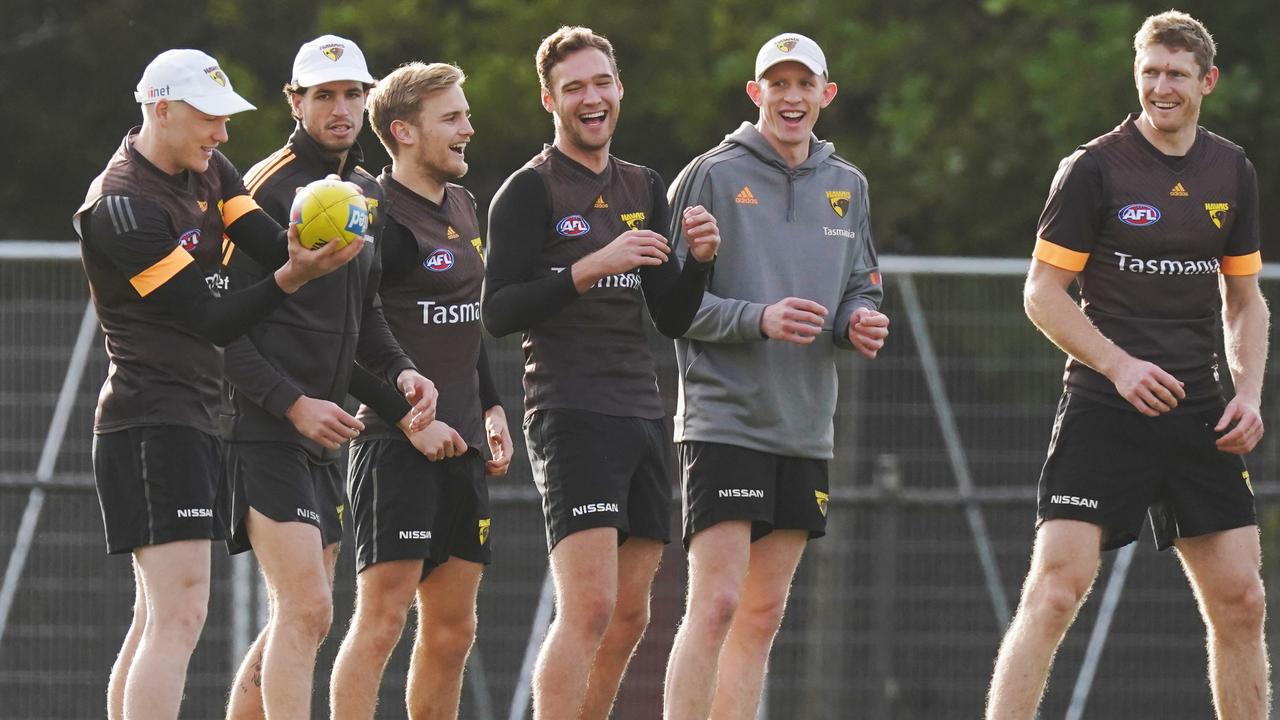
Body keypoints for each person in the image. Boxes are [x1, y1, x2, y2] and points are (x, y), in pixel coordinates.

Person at [985, 10, 1270, 719]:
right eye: (1149, 71)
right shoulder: (1093, 168)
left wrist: (1250, 394)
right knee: (1054, 590)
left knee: (1243, 601)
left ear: (1207, 81)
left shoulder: (1231, 169)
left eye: (1176, 73)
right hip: (1105, 404)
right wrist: (1119, 366)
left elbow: (1245, 302)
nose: (1161, 86)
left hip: (1201, 409)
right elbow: (1042, 296)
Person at [73, 48, 364, 720]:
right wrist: (294, 276)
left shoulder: (209, 170)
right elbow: (211, 318)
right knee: (179, 615)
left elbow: (266, 244)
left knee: (158, 617)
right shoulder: (120, 206)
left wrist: (314, 232)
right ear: (162, 109)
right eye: (210, 118)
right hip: (150, 418)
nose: (223, 134)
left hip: (195, 414)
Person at [482, 26, 721, 719]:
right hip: (570, 410)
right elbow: (496, 312)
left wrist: (700, 259)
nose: (592, 98)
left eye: (601, 83)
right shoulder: (528, 190)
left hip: (642, 411)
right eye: (575, 87)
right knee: (586, 609)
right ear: (549, 100)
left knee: (630, 617)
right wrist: (589, 267)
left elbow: (671, 315)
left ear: (619, 89)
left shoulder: (644, 185)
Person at [661, 32, 889, 720]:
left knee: (761, 616)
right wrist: (759, 318)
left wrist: (858, 321)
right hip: (725, 418)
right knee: (718, 604)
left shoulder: (849, 185)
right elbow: (670, 306)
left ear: (827, 94)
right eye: (777, 84)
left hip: (805, 426)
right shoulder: (710, 175)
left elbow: (863, 286)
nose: (792, 98)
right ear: (755, 93)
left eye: (804, 84)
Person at [218, 35, 436, 719]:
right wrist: (291, 405)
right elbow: (219, 328)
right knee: (308, 610)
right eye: (324, 95)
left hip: (324, 436)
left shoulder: (363, 192)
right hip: (262, 425)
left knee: (302, 614)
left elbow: (361, 310)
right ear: (295, 102)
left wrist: (401, 377)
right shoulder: (263, 189)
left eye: (351, 94)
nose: (340, 108)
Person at [327, 60, 514, 720]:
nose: (469, 127)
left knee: (453, 632)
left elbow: (468, 318)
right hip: (395, 445)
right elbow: (345, 337)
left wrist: (491, 404)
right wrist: (411, 419)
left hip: (462, 442)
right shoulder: (373, 217)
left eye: (465, 114)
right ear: (404, 132)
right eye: (452, 118)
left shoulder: (462, 202)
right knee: (381, 621)